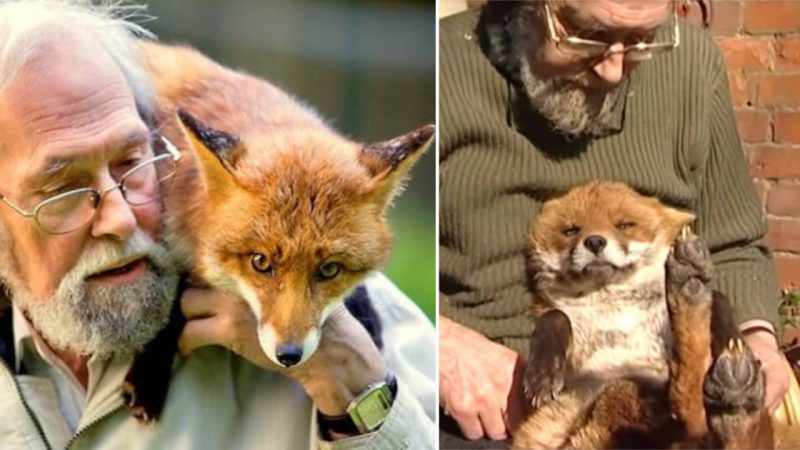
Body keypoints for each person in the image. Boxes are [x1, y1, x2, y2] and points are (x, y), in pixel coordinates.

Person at [0, 1, 435, 448]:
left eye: (131, 162)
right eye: (63, 190)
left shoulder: (366, 320)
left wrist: (357, 391)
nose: (119, 217)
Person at [439, 0, 789, 447]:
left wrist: (756, 345)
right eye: (589, 34)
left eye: (643, 40)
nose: (614, 69)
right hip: (498, 406)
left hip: (677, 381)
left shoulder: (693, 64)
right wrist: (442, 347)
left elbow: (733, 242)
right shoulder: (441, 67)